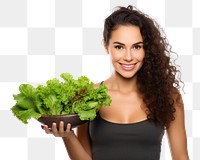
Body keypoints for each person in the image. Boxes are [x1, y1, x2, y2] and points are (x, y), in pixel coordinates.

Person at [42, 5, 190, 160]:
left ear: (147, 49)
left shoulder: (168, 96)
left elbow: (181, 157)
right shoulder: (88, 95)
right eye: (119, 47)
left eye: (137, 47)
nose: (128, 57)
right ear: (107, 47)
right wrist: (68, 135)